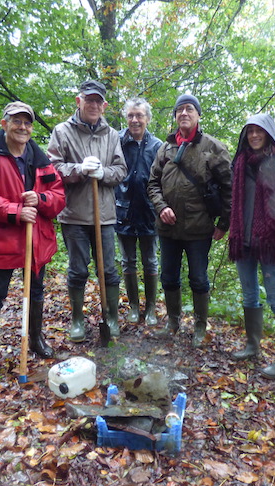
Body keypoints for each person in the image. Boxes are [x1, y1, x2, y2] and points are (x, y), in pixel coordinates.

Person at [0, 101, 66, 376]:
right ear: (4, 124)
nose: (22, 127)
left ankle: (35, 339)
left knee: (36, 291)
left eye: (27, 122)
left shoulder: (41, 160)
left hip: (36, 240)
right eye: (16, 121)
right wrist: (16, 211)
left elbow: (58, 196)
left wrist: (41, 199)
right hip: (3, 239)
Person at [147, 94, 232, 347]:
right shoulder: (165, 148)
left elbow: (229, 188)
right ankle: (173, 322)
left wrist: (223, 224)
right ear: (175, 116)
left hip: (199, 229)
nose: (184, 113)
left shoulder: (213, 147)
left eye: (189, 109)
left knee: (198, 279)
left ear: (198, 115)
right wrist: (161, 207)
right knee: (169, 277)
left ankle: (199, 326)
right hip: (168, 229)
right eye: (180, 110)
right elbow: (152, 183)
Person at [47, 80, 127, 342]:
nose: (93, 105)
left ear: (104, 106)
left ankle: (111, 317)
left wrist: (104, 173)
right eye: (88, 100)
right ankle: (77, 320)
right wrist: (78, 169)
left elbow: (121, 170)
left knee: (109, 271)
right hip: (74, 215)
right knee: (78, 270)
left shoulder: (112, 135)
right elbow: (52, 170)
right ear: (78, 101)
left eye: (98, 101)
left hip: (104, 215)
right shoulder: (62, 131)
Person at [229, 114, 275, 378]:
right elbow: (233, 202)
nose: (254, 136)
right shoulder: (239, 164)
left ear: (269, 134)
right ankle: (252, 346)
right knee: (249, 295)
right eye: (250, 132)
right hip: (243, 241)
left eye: (259, 131)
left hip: (270, 243)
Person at [116, 98, 163, 326]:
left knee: (150, 261)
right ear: (126, 118)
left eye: (139, 115)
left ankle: (151, 308)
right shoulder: (117, 141)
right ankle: (134, 307)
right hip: (122, 210)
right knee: (128, 261)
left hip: (149, 211)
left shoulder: (157, 146)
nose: (135, 120)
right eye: (131, 115)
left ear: (147, 118)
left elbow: (164, 180)